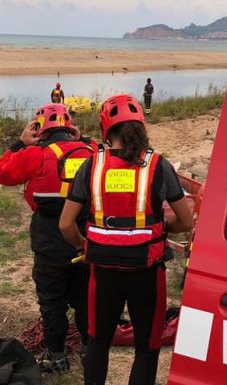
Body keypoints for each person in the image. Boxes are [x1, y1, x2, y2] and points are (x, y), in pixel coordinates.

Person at [59, 94, 194, 385]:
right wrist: (159, 229)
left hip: (103, 272)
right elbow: (185, 221)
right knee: (146, 349)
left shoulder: (91, 166)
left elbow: (65, 224)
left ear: (106, 131)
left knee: (98, 342)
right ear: (141, 128)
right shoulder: (159, 166)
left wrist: (84, 245)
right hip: (147, 272)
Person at [0, 103, 97, 374]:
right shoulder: (91, 152)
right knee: (86, 298)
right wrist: (82, 138)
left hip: (48, 239)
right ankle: (89, 351)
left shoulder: (35, 155)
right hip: (85, 236)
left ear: (40, 129)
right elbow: (100, 149)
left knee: (52, 302)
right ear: (70, 127)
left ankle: (58, 356)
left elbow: (1, 174)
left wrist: (19, 143)